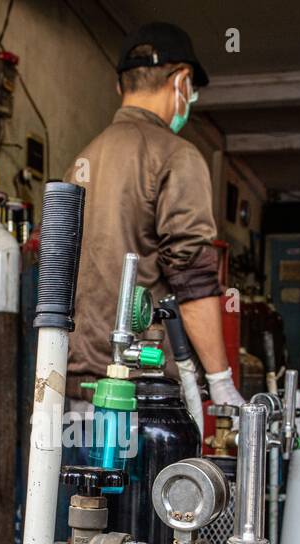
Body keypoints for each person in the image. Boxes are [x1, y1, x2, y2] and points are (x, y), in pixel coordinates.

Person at [66, 22, 243, 415]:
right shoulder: (176, 156)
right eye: (191, 89)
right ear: (181, 81)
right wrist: (220, 381)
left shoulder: (80, 161)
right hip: (140, 393)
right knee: (151, 480)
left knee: (83, 477)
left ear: (120, 87)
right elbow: (191, 276)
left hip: (75, 388)